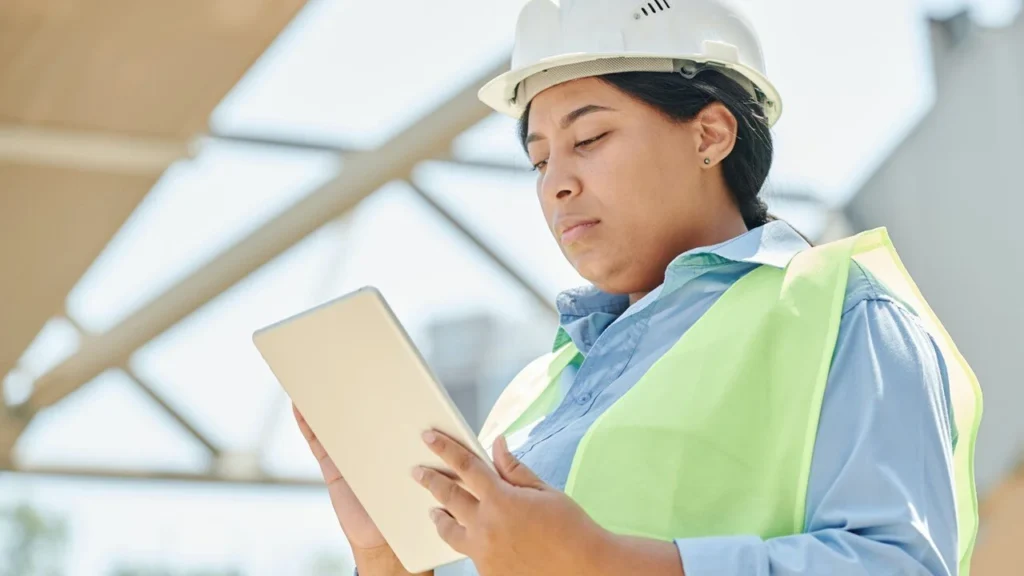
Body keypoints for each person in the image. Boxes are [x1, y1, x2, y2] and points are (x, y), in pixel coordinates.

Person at [294, 0, 983, 574]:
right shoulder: (530, 398)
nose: (557, 182)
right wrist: (385, 556)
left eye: (588, 138)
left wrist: (600, 561)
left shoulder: (841, 312)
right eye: (539, 160)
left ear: (710, 134)